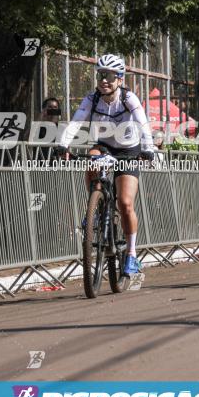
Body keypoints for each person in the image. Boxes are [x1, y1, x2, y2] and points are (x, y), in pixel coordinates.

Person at [56, 54, 156, 277]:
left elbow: (143, 123)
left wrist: (148, 149)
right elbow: (77, 121)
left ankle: (131, 254)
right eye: (101, 75)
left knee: (125, 203)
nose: (104, 80)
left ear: (120, 79)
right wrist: (62, 144)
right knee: (91, 158)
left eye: (110, 76)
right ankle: (95, 206)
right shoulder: (92, 99)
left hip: (129, 150)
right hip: (104, 145)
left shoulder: (129, 98)